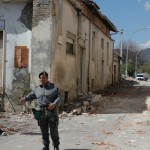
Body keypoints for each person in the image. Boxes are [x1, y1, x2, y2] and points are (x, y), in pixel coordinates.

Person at [20, 71, 61, 150]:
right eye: (41, 78)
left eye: (44, 78)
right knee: (43, 130)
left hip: (51, 112)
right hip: (41, 112)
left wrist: (54, 104)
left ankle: (56, 146)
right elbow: (31, 96)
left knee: (54, 131)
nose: (42, 79)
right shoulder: (37, 89)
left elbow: (59, 98)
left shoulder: (54, 87)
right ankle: (46, 146)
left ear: (47, 78)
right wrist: (24, 99)